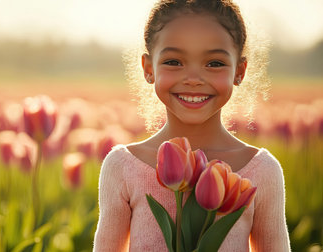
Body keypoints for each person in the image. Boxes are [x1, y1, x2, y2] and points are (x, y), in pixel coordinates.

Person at [93, 0, 291, 251]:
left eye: (214, 63)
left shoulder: (261, 171)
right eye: (174, 62)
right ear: (148, 68)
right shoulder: (123, 167)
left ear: (240, 71)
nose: (194, 79)